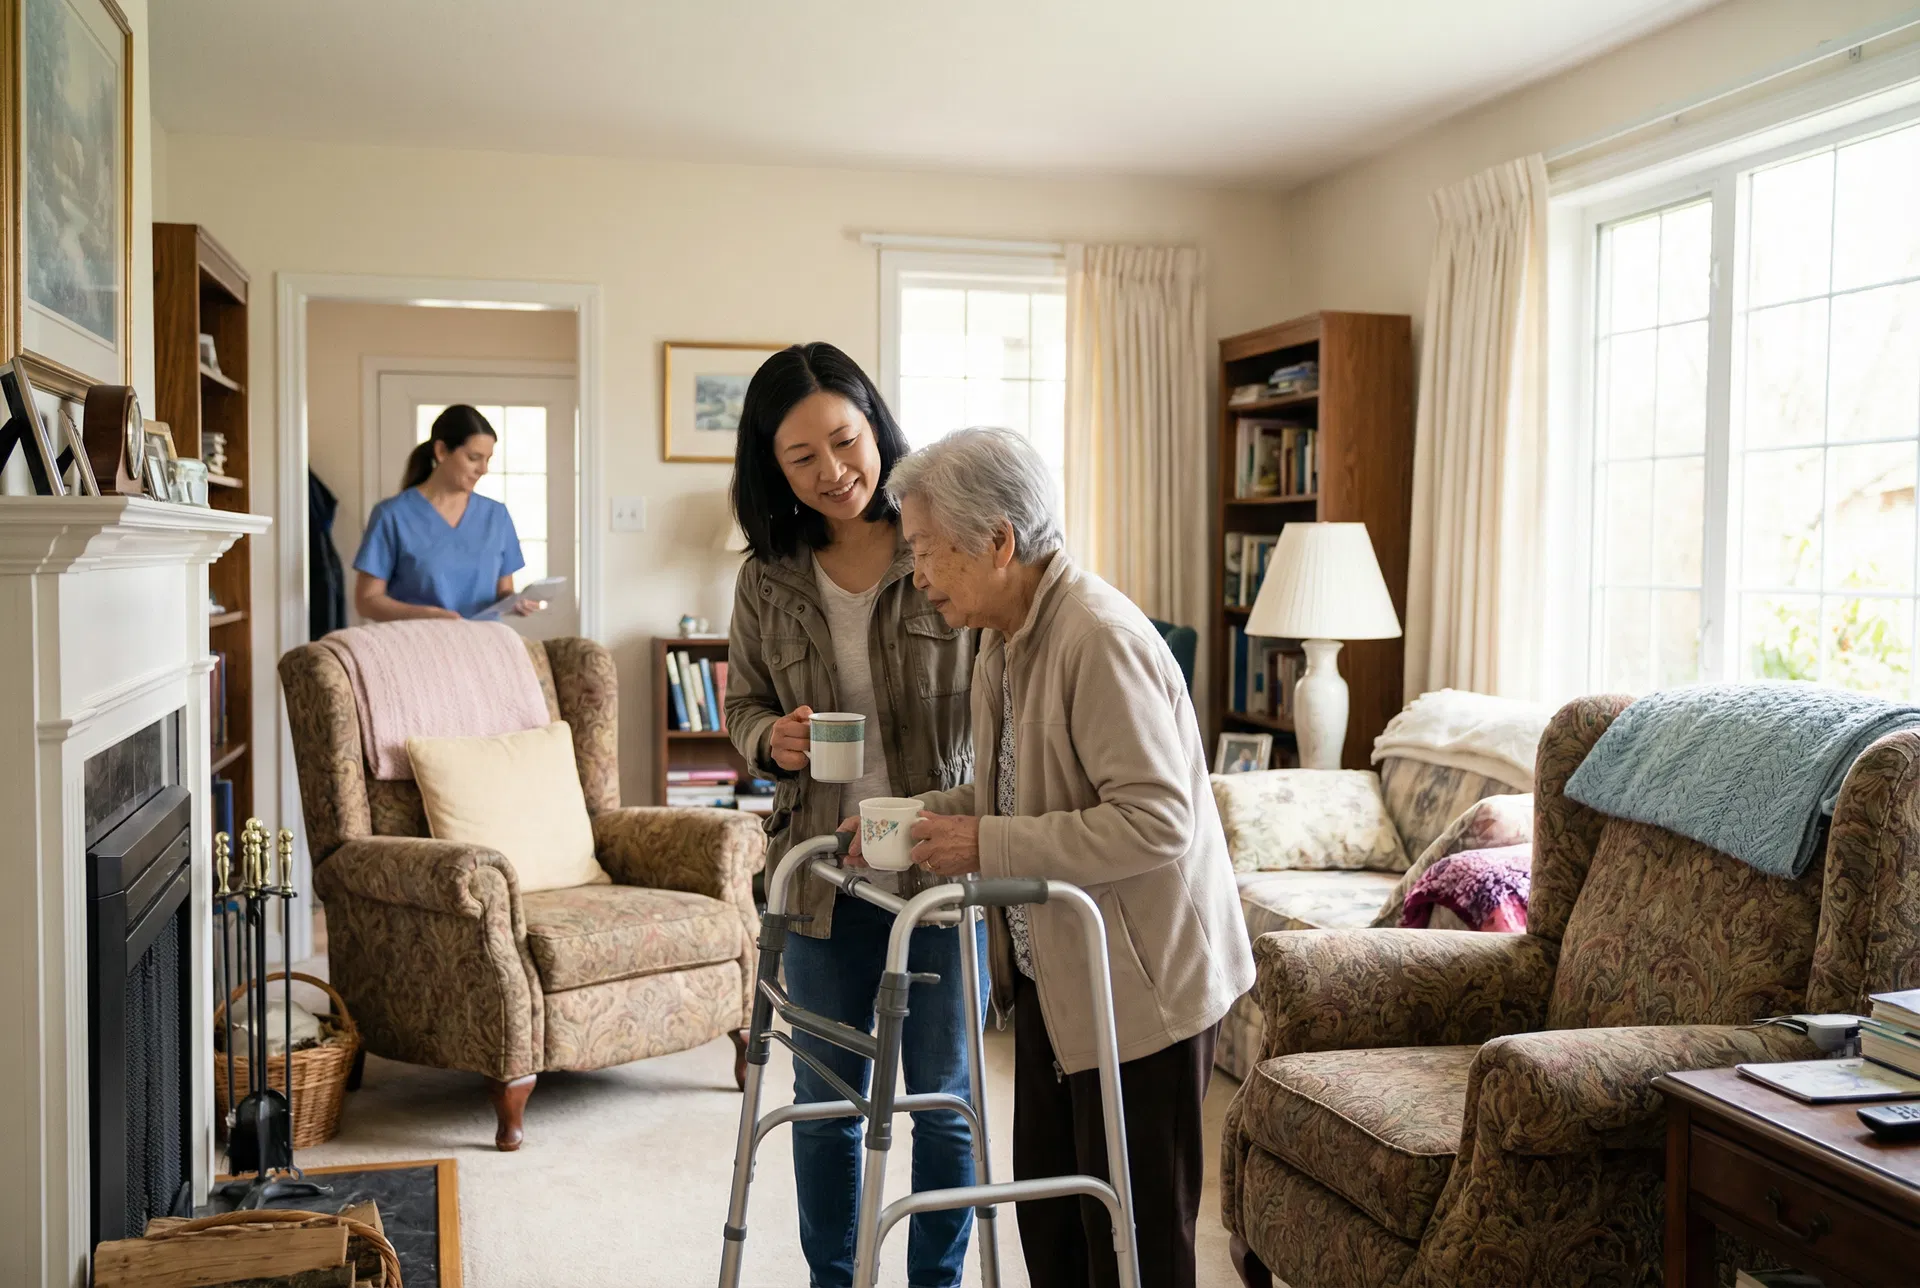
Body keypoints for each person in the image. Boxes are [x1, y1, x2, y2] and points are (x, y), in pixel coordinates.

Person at [866, 426, 1255, 1288]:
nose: (918, 575)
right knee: (1053, 1225)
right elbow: (1021, 793)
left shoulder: (1098, 639)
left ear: (999, 543)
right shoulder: (1002, 638)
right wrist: (928, 817)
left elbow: (1158, 821)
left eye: (928, 552)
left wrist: (987, 843)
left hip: (1144, 986)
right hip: (1060, 973)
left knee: (1136, 1242)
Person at [723, 343, 981, 1288]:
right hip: (821, 876)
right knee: (825, 1099)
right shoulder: (767, 577)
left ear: (875, 423)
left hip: (940, 866)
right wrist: (768, 740)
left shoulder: (942, 542)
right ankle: (838, 1282)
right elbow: (741, 706)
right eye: (803, 457)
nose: (834, 471)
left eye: (845, 440)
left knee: (944, 1101)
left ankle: (935, 1283)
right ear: (773, 466)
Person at [352, 405, 541, 622]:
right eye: (474, 457)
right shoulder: (392, 515)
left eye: (488, 459)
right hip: (416, 645)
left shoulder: (497, 516)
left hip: (482, 645)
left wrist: (515, 601)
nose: (483, 469)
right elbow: (367, 600)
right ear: (441, 451)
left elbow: (504, 591)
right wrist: (427, 616)